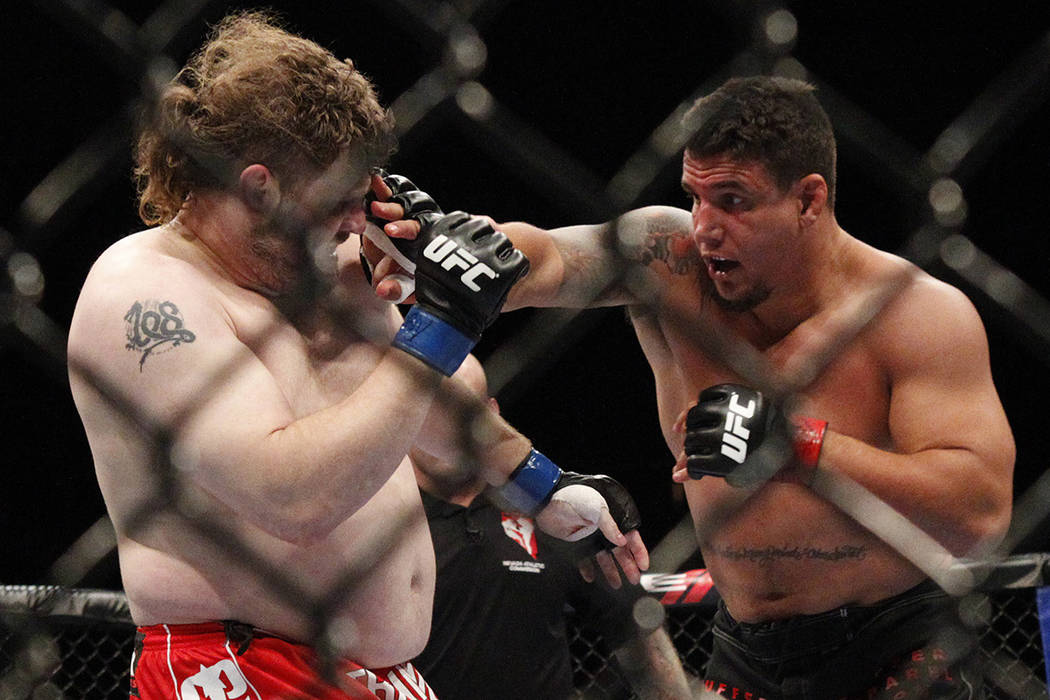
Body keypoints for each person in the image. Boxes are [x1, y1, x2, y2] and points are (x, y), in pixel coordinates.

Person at [364, 76, 1016, 698]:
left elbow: (979, 510)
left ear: (809, 200)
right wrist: (465, 250)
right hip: (747, 652)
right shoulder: (672, 264)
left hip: (900, 645)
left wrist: (801, 449)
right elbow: (553, 259)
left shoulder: (913, 313)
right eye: (695, 196)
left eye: (733, 200)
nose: (705, 226)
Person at [66, 12, 648, 700]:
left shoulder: (325, 264)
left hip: (386, 677)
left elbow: (405, 405)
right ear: (260, 187)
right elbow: (294, 496)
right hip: (242, 672)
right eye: (342, 200)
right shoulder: (145, 295)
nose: (359, 217)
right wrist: (442, 320)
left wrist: (543, 486)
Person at [409, 354, 693, 700]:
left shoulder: (550, 510)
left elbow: (634, 625)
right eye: (433, 410)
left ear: (492, 417)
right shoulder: (372, 515)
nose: (448, 430)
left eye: (465, 413)